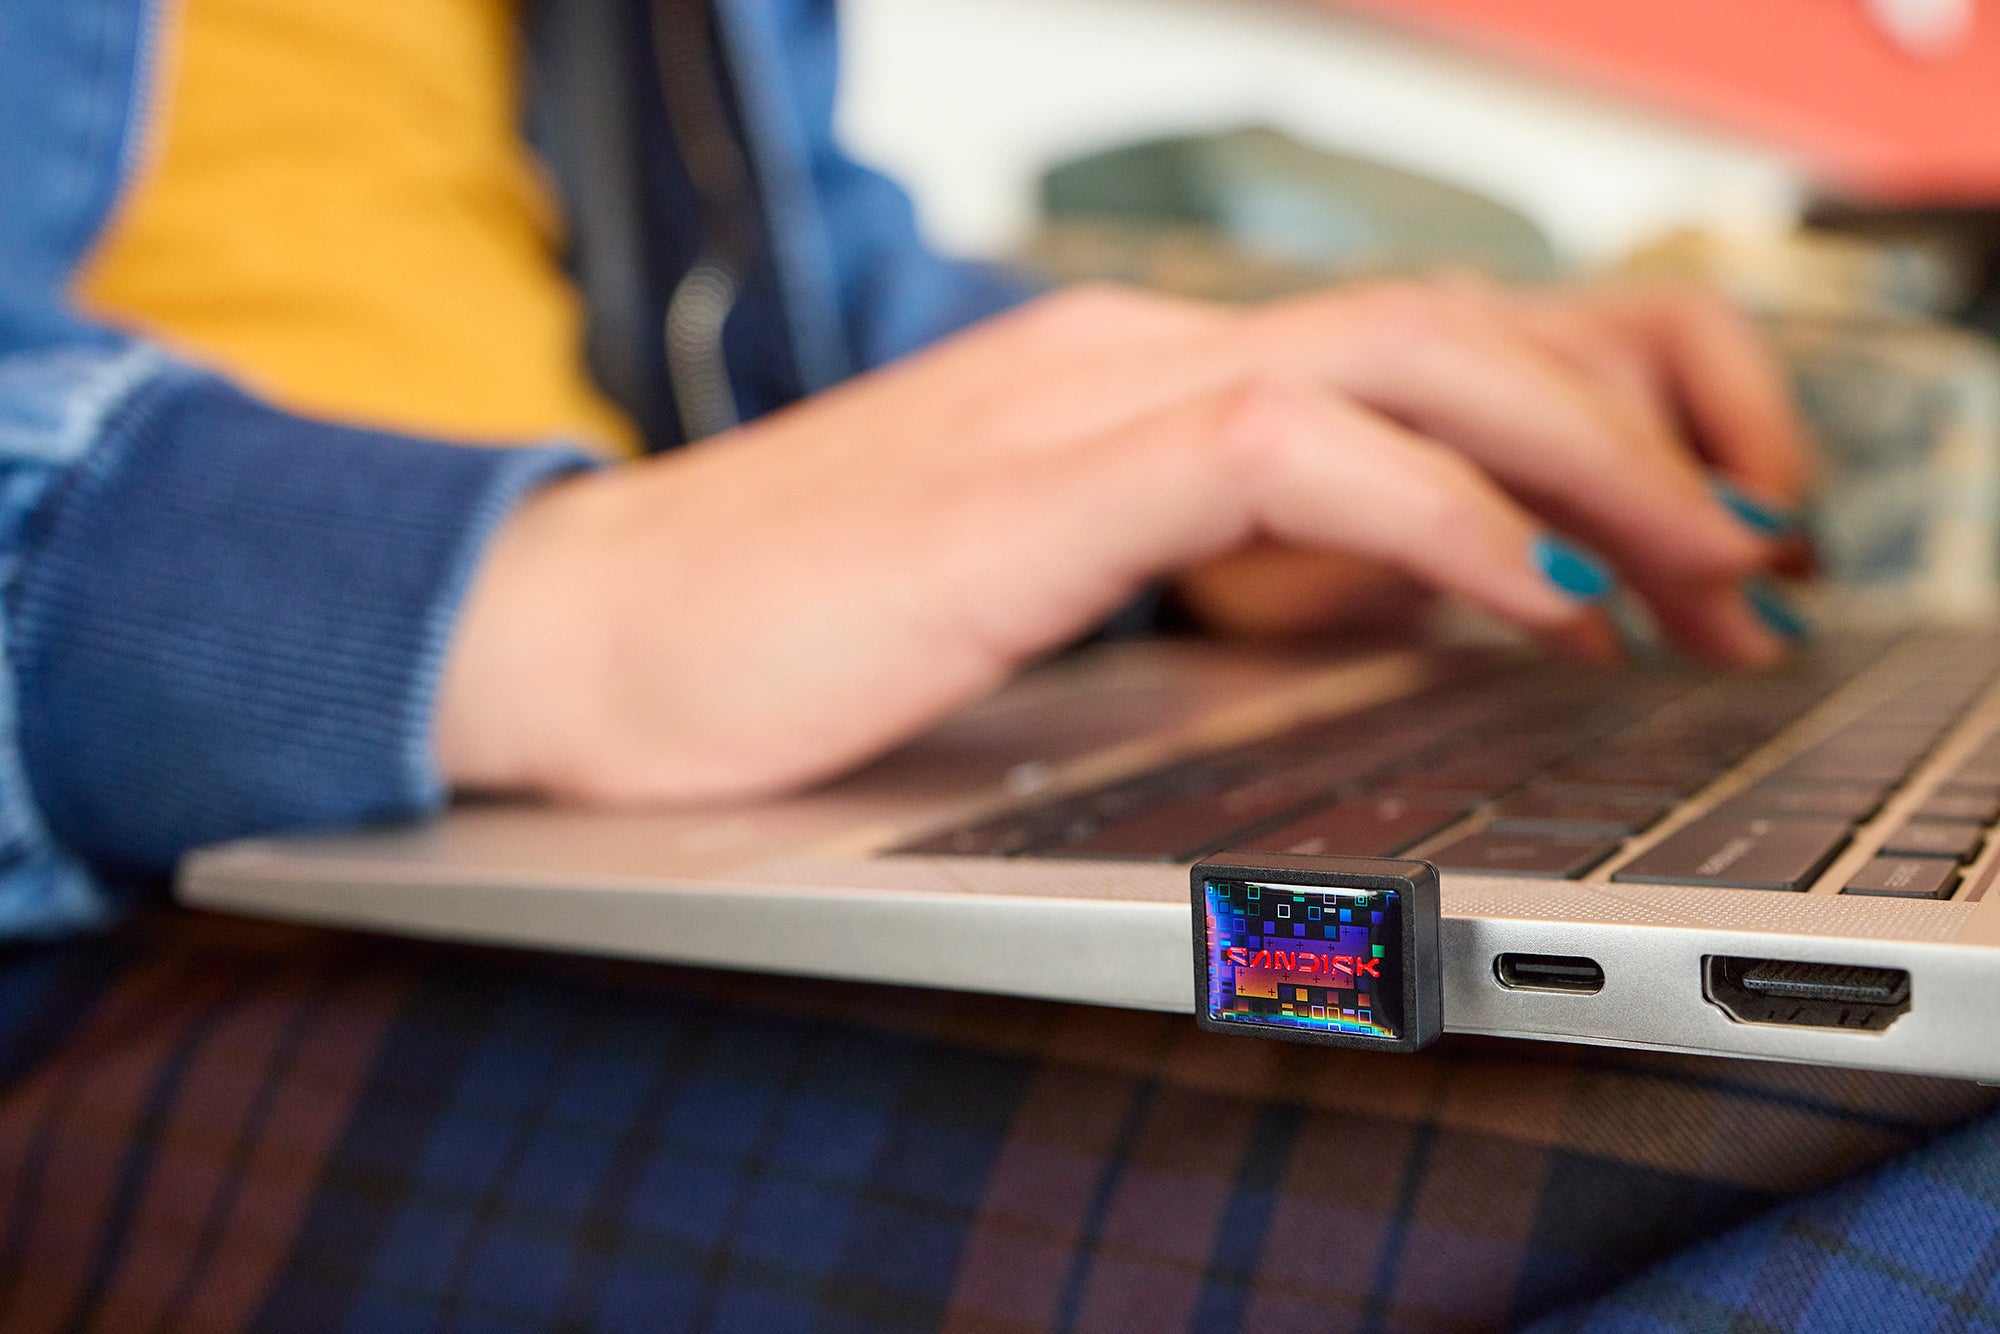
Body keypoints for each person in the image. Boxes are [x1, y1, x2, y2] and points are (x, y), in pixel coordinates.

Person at [0, 0, 1990, 1329]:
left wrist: (1217, 478)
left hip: (732, 758)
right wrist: (511, 601)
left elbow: (794, 294)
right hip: (142, 887)